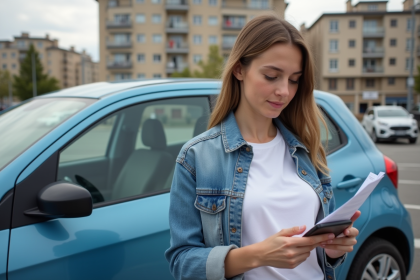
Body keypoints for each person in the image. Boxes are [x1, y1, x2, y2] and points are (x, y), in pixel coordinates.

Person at [165, 14, 360, 280]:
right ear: (239, 69)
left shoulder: (307, 150)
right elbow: (182, 263)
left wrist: (333, 250)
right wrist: (258, 255)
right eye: (272, 76)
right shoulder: (197, 157)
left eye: (294, 80)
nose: (284, 91)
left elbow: (318, 257)